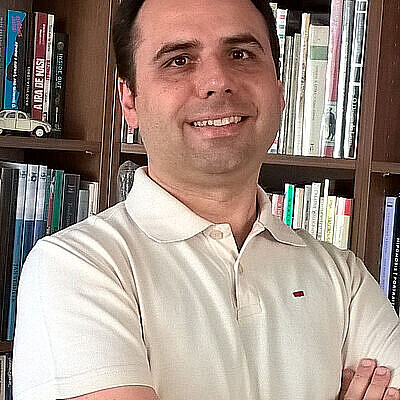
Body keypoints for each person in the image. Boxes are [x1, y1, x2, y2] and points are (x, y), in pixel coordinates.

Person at [12, 0, 400, 399]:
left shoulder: (344, 277)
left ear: (280, 87)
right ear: (130, 101)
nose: (218, 81)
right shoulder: (77, 266)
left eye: (240, 54)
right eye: (179, 61)